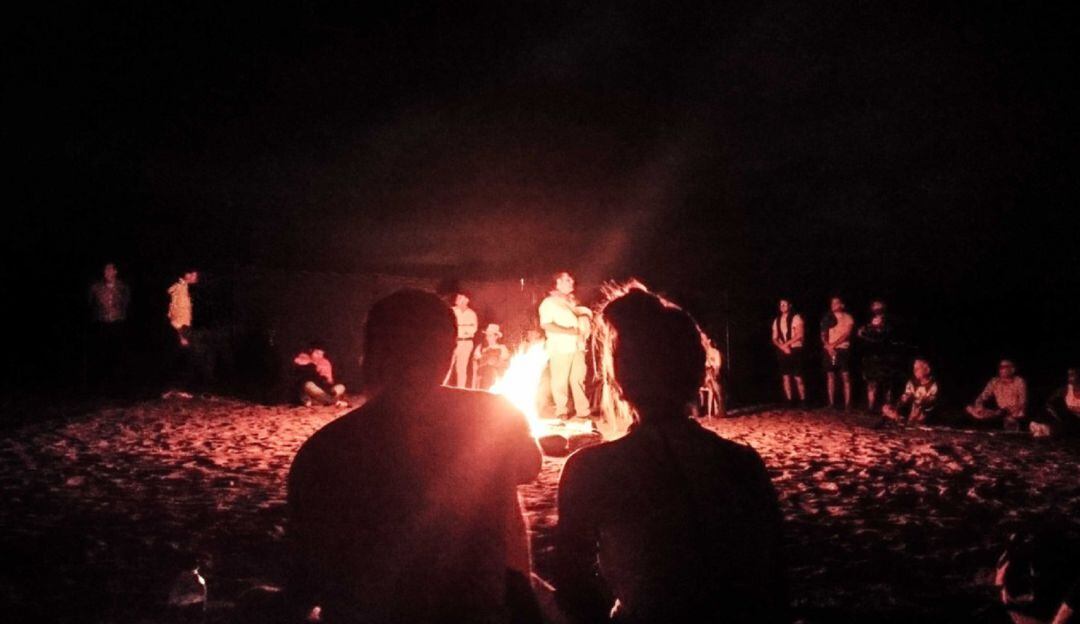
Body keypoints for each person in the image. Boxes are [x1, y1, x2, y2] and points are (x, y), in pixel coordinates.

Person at [287, 289, 542, 623]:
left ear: (370, 356)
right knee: (499, 475)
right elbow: (530, 465)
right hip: (473, 613)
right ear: (448, 358)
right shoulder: (496, 415)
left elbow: (304, 582)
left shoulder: (323, 450)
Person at [554, 286, 787, 623]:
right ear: (697, 374)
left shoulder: (590, 469)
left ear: (618, 381)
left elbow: (573, 588)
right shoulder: (742, 463)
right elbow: (774, 584)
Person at [539, 271, 592, 420]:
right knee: (560, 379)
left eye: (571, 279)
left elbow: (583, 320)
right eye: (567, 280)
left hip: (578, 346)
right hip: (560, 346)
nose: (571, 282)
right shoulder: (549, 303)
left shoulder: (573, 302)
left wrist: (584, 326)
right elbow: (546, 324)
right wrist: (568, 331)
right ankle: (562, 410)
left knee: (578, 378)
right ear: (557, 283)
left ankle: (583, 410)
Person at [86, 262, 130, 392]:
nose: (107, 273)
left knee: (117, 355)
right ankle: (101, 385)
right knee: (102, 354)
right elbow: (90, 304)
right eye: (106, 270)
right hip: (102, 324)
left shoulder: (122, 287)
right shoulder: (96, 287)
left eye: (110, 270)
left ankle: (118, 386)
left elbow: (126, 304)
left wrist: (121, 316)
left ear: (115, 271)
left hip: (118, 323)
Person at [857, 299, 900, 412]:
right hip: (871, 355)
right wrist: (864, 334)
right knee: (871, 382)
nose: (875, 307)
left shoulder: (888, 321)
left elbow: (884, 338)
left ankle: (888, 408)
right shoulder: (869, 322)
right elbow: (862, 334)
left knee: (887, 383)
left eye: (878, 305)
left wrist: (867, 334)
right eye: (873, 305)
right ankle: (871, 407)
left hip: (885, 356)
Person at [966, 359, 1028, 430]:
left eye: (1004, 367)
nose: (1001, 369)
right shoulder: (995, 381)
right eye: (1000, 367)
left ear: (1012, 369)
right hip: (999, 414)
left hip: (1015, 415)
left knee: (1007, 420)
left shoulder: (1019, 381)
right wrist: (979, 405)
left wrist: (1005, 411)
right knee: (969, 408)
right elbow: (982, 396)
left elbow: (1022, 402)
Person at [820, 296, 855, 410]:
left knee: (845, 376)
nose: (833, 305)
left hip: (842, 349)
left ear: (842, 305)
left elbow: (847, 334)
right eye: (832, 303)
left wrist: (833, 345)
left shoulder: (848, 317)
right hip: (829, 350)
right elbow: (823, 334)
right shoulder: (827, 317)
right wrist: (828, 346)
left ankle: (848, 404)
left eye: (836, 303)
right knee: (830, 375)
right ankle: (831, 403)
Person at [882, 358, 939, 425]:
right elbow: (906, 395)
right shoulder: (911, 382)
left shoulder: (933, 385)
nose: (915, 371)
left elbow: (931, 401)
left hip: (923, 412)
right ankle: (900, 419)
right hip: (909, 410)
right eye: (914, 368)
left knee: (918, 407)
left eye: (918, 368)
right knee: (886, 407)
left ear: (927, 370)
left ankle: (908, 421)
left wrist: (922, 401)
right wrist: (904, 399)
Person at [771, 298, 805, 404]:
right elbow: (774, 338)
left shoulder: (796, 317)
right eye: (781, 305)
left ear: (790, 305)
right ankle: (789, 400)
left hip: (795, 348)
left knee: (797, 376)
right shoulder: (777, 320)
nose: (782, 306)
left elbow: (800, 334)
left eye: (784, 304)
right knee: (785, 376)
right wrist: (782, 347)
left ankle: (803, 399)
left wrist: (786, 345)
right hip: (782, 349)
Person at [293, 343, 348, 407]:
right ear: (311, 351)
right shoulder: (302, 359)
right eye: (317, 353)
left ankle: (319, 401)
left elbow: (329, 381)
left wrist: (327, 380)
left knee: (341, 387)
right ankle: (334, 401)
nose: (319, 356)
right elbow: (301, 380)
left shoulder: (325, 362)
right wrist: (313, 366)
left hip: (323, 390)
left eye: (321, 354)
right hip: (310, 390)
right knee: (308, 385)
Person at [444, 291, 478, 388]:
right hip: (453, 341)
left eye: (460, 297)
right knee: (447, 366)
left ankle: (461, 389)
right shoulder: (452, 311)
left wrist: (460, 327)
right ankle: (442, 386)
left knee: (461, 368)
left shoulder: (471, 314)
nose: (457, 299)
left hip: (466, 343)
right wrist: (465, 327)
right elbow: (450, 326)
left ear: (466, 300)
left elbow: (473, 329)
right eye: (457, 297)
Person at [1036, 368, 1080, 437]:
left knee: (1069, 424)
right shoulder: (1066, 389)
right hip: (1067, 419)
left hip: (1076, 421)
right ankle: (1043, 428)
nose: (1069, 378)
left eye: (1072, 375)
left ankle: (1047, 430)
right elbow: (1050, 403)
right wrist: (1055, 414)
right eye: (1069, 375)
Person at [473, 324, 510, 390]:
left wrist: (495, 362)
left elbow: (506, 365)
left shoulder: (502, 348)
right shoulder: (481, 347)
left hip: (496, 379)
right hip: (483, 380)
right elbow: (475, 365)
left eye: (490, 336)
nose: (487, 338)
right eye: (487, 335)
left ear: (496, 337)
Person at [167, 270, 199, 347]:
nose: (193, 277)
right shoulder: (185, 323)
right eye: (193, 275)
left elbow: (170, 292)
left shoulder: (177, 323)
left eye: (194, 276)